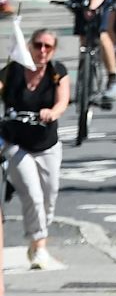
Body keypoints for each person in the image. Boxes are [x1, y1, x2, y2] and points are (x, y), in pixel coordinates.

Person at [3, 29, 70, 269]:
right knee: (32, 194)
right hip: (16, 143)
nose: (42, 51)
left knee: (49, 195)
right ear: (29, 46)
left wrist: (53, 112)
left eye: (48, 47)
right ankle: (39, 244)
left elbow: (62, 100)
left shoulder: (56, 72)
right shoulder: (13, 71)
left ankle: (37, 238)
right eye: (38, 45)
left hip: (47, 144)